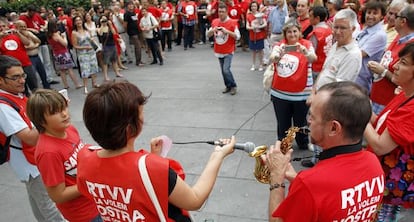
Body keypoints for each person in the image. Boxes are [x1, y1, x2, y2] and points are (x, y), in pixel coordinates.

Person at [76, 81, 235, 221]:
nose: (143, 118)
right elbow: (195, 199)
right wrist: (218, 155)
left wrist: (150, 159)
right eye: (141, 113)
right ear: (131, 129)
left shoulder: (84, 158)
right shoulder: (154, 169)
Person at [263, 81, 385, 221]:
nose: (308, 121)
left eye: (313, 116)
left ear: (334, 128)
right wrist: (299, 182)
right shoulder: (373, 163)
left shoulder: (310, 184)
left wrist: (277, 178)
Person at [0, 55, 65, 221]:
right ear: (1, 80)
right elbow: (29, 138)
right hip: (30, 163)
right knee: (50, 207)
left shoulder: (16, 95)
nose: (22, 80)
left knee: (39, 203)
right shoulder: (3, 106)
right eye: (15, 77)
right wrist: (50, 117)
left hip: (33, 159)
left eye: (23, 75)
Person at [26, 89, 101, 221]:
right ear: (41, 120)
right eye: (55, 112)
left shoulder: (69, 129)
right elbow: (58, 195)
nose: (64, 114)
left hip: (97, 201)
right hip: (84, 214)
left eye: (64, 107)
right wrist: (91, 182)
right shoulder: (48, 153)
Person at [302, 8, 362, 168]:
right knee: (315, 132)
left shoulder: (353, 54)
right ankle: (316, 159)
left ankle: (322, 165)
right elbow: (324, 71)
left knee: (325, 137)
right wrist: (313, 91)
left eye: (343, 28)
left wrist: (317, 100)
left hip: (331, 106)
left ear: (353, 29)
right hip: (319, 99)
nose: (338, 31)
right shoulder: (336, 45)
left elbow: (339, 89)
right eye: (335, 27)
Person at [364, 42, 414, 222]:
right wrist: (365, 109)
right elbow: (382, 125)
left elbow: (380, 145)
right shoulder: (405, 94)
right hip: (382, 177)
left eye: (403, 62)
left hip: (391, 184)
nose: (395, 66)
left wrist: (357, 114)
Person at [268, 18, 316, 151]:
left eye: (295, 31)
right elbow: (271, 58)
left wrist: (305, 52)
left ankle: (302, 143)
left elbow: (313, 58)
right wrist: (278, 55)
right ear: (285, 34)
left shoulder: (307, 44)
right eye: (289, 32)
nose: (292, 34)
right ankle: (283, 144)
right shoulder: (279, 45)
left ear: (299, 32)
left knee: (301, 123)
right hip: (280, 94)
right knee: (283, 123)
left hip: (301, 94)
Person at [368, 4, 414, 115]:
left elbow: (406, 78)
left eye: (396, 15)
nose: (392, 18)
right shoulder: (399, 37)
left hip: (387, 102)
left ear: (403, 21)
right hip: (377, 97)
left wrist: (382, 71)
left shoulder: (411, 47)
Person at [207, 3, 240, 95]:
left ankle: (233, 85)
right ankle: (228, 86)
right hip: (219, 49)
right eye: (219, 11)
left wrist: (227, 31)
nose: (220, 13)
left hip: (228, 49)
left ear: (227, 12)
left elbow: (237, 36)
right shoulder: (215, 22)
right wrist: (212, 30)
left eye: (222, 12)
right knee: (223, 70)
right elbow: (208, 35)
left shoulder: (232, 22)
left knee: (226, 69)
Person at [355, 0, 387, 93]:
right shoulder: (365, 30)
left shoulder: (379, 35)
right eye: (368, 12)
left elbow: (359, 53)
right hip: (353, 77)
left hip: (361, 82)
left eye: (375, 13)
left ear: (381, 16)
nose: (370, 16)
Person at [47, 19, 83, 90]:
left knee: (62, 70)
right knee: (70, 69)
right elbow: (65, 44)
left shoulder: (49, 35)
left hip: (56, 53)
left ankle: (65, 85)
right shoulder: (56, 35)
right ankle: (77, 84)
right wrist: (64, 37)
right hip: (63, 53)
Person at [72, 15, 100, 94]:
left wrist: (93, 41)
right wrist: (84, 47)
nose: (78, 22)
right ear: (74, 23)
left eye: (80, 20)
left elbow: (91, 39)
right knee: (85, 70)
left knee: (94, 67)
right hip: (82, 54)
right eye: (76, 20)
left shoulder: (87, 30)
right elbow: (75, 45)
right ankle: (85, 86)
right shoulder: (74, 33)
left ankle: (94, 82)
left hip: (91, 52)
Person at [307, 6, 333, 80]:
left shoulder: (315, 33)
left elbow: (311, 53)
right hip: (326, 65)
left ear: (317, 18)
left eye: (311, 16)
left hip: (316, 67)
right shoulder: (329, 29)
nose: (309, 18)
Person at [98, 15, 123, 80]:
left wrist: (110, 24)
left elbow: (114, 33)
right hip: (106, 46)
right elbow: (100, 34)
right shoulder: (100, 28)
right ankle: (105, 76)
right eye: (103, 21)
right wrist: (101, 25)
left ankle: (117, 73)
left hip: (112, 45)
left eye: (105, 20)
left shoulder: (109, 27)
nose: (104, 22)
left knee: (114, 60)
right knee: (105, 62)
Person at [246, 1, 267, 71]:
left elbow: (265, 24)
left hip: (260, 35)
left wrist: (259, 27)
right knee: (253, 51)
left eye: (255, 6)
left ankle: (261, 64)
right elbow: (247, 26)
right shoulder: (248, 15)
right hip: (252, 36)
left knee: (260, 50)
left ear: (257, 7)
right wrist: (252, 28)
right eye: (252, 6)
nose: (253, 8)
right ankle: (253, 64)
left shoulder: (261, 15)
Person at [123, 1, 144, 66]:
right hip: (132, 32)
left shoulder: (133, 13)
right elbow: (125, 24)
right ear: (127, 6)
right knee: (138, 46)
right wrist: (127, 32)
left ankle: (139, 60)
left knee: (138, 46)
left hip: (137, 31)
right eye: (129, 5)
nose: (131, 5)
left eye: (132, 4)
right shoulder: (127, 14)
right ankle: (138, 62)